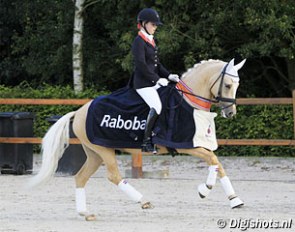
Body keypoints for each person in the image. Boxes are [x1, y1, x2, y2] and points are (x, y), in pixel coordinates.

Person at [129, 8, 180, 153]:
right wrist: (157, 79)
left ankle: (163, 136)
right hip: (143, 84)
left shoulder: (151, 40)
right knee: (157, 106)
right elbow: (141, 65)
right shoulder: (138, 41)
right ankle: (145, 143)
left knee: (169, 97)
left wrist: (168, 75)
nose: (155, 27)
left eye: (156, 25)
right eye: (153, 24)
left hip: (152, 82)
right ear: (144, 24)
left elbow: (156, 64)